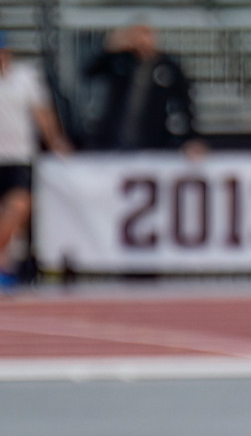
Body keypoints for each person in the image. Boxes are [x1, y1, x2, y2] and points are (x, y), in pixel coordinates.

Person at [0, 32, 73, 283]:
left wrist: (55, 140)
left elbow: (42, 112)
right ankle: (6, 265)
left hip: (18, 156)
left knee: (19, 208)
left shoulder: (25, 77)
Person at [80, 22, 199, 152]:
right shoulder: (121, 61)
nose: (143, 40)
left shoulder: (167, 67)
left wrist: (190, 138)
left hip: (154, 141)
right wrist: (110, 49)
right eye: (137, 35)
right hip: (115, 139)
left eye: (146, 35)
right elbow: (89, 72)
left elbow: (183, 102)